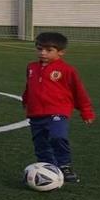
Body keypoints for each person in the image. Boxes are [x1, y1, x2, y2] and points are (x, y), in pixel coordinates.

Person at [22, 31, 94, 185]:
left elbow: (79, 92)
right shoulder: (32, 67)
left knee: (57, 136)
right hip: (36, 113)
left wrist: (86, 111)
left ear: (61, 52)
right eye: (40, 49)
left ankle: (65, 165)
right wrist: (26, 101)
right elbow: (29, 87)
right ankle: (48, 169)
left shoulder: (67, 70)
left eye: (49, 50)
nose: (43, 53)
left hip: (57, 111)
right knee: (40, 144)